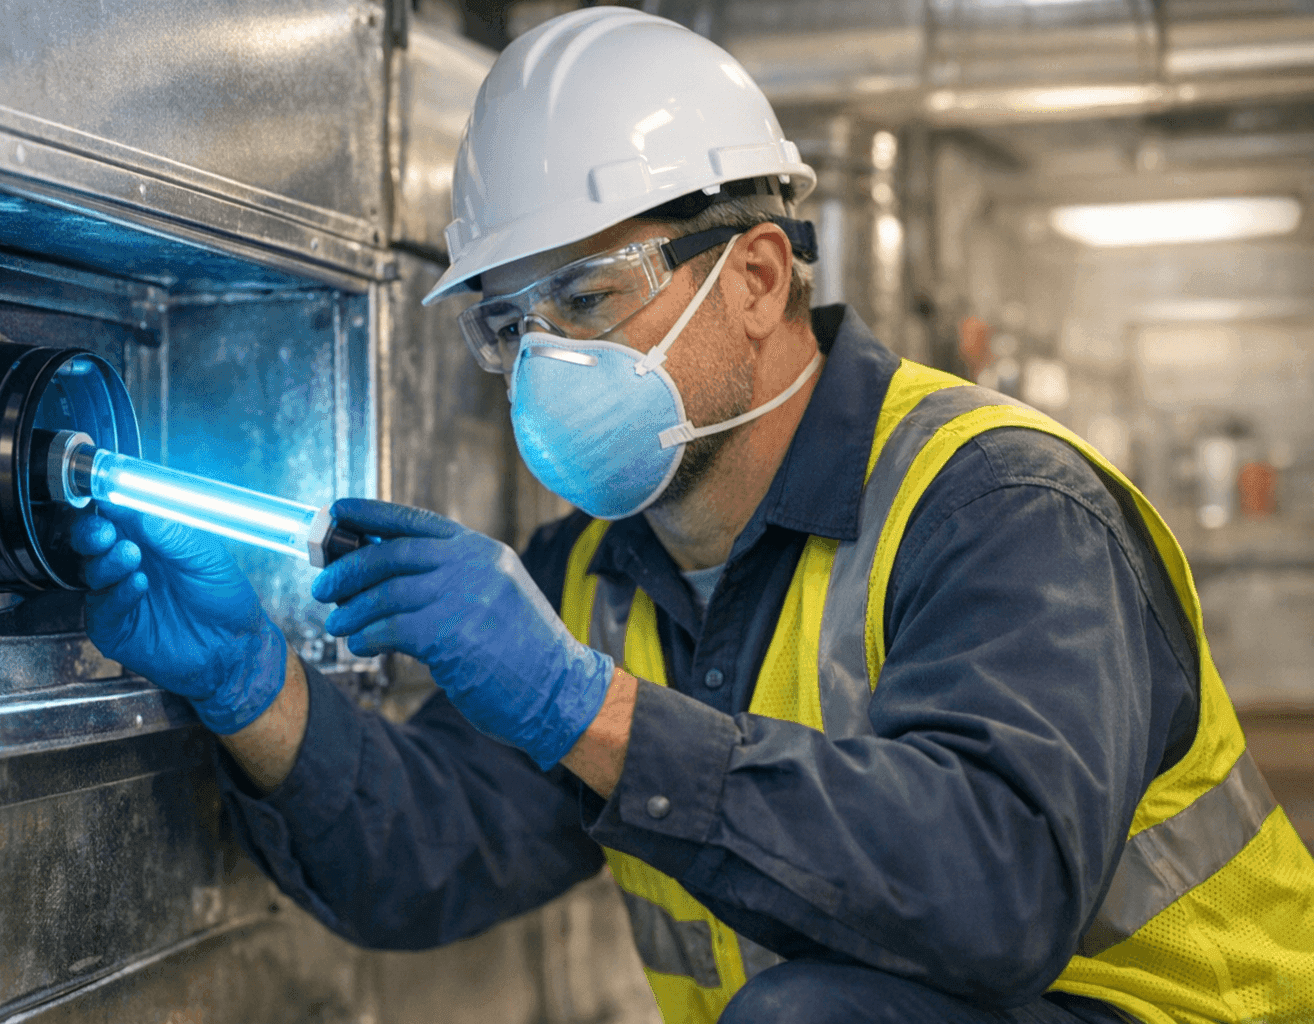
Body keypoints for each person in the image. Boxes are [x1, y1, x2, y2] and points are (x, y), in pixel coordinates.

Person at [71, 9, 1314, 1023]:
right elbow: (425, 860)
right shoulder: (603, 578)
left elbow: (995, 892)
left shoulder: (996, 507)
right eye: (511, 324)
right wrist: (251, 687)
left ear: (759, 278)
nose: (547, 358)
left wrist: (586, 709)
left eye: (589, 297)